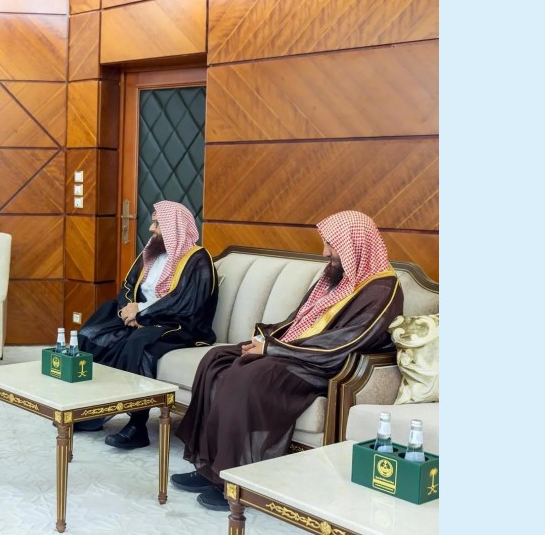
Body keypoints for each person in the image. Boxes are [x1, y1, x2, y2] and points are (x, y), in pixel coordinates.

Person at [171, 210, 405, 511]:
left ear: (354, 245)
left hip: (323, 366)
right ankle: (208, 466)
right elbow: (299, 321)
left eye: (332, 245)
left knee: (247, 375)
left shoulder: (383, 289)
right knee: (216, 358)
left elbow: (345, 343)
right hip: (295, 352)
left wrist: (272, 350)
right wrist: (266, 340)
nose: (325, 253)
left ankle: (233, 480)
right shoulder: (337, 276)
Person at [75, 201, 218, 449]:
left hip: (180, 325)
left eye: (157, 224)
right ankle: (93, 411)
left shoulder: (197, 259)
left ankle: (137, 426)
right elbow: (128, 286)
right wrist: (127, 311)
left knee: (137, 345)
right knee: (92, 332)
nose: (151, 229)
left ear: (174, 227)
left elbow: (184, 303)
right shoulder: (152, 253)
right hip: (143, 317)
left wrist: (142, 313)